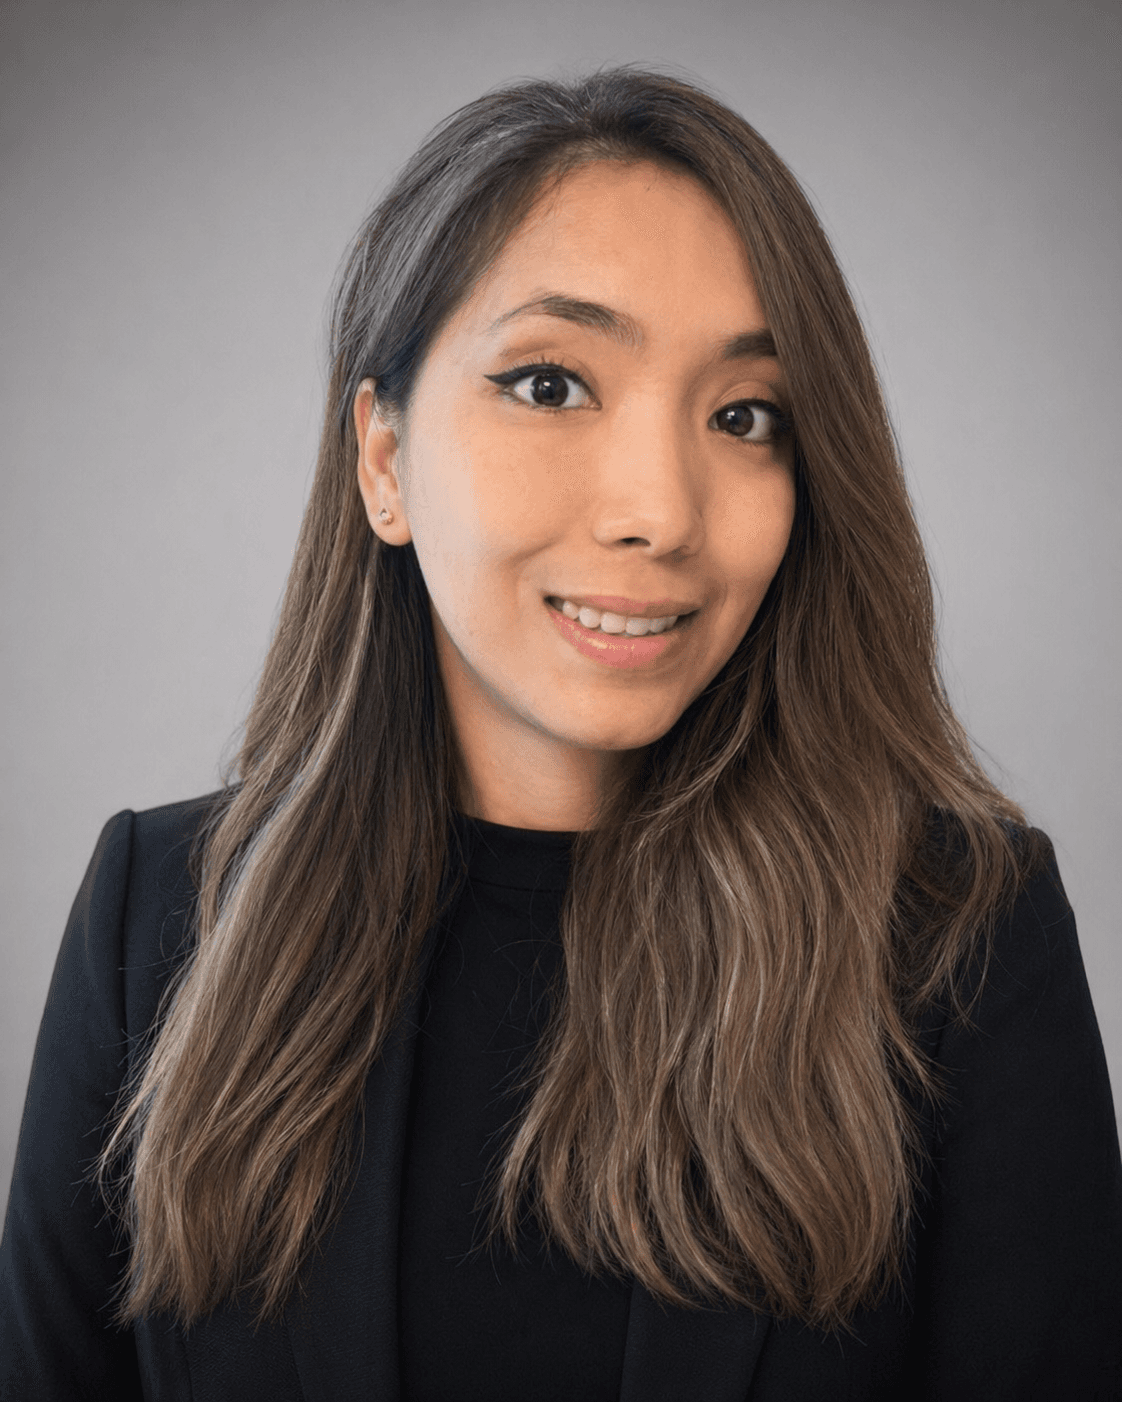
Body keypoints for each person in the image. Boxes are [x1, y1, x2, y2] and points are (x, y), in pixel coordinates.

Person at [2, 67, 1120, 1401]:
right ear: (383, 459)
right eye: (548, 383)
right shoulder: (158, 921)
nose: (659, 509)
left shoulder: (959, 939)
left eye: (743, 416)